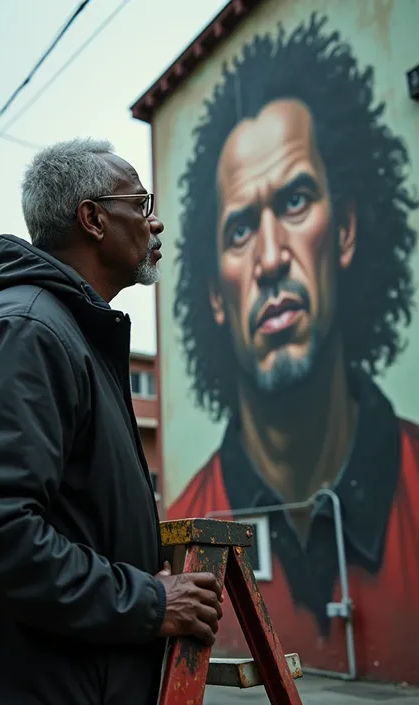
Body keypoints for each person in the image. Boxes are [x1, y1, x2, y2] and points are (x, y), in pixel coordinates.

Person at [168, 15, 419, 677]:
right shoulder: (187, 531)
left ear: (345, 230)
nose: (273, 257)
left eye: (297, 199)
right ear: (214, 294)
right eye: (241, 228)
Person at [0, 138, 224, 705]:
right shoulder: (29, 330)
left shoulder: (65, 333)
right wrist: (149, 601)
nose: (157, 222)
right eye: (141, 203)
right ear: (94, 219)